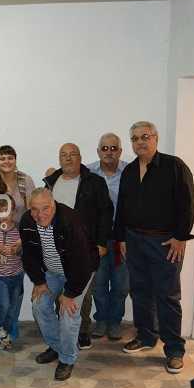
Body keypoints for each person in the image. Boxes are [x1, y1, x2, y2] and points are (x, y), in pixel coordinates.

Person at [115, 121, 194, 374]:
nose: (140, 142)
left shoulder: (174, 166)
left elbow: (188, 203)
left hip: (165, 243)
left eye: (145, 136)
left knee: (167, 295)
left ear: (155, 138)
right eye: (135, 138)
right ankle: (146, 336)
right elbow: (122, 208)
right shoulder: (129, 171)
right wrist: (122, 238)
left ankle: (174, 350)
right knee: (139, 291)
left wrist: (180, 237)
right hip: (134, 240)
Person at [20, 188, 99, 381]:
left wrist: (69, 294)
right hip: (52, 272)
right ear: (30, 208)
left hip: (79, 272)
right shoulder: (27, 222)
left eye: (45, 208)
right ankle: (57, 347)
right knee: (39, 306)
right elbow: (28, 255)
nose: (40, 215)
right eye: (35, 209)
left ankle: (67, 359)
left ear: (53, 204)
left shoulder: (71, 221)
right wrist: (39, 282)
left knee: (68, 313)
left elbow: (83, 263)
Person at [43, 143, 113, 350]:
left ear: (80, 157)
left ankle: (82, 331)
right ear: (59, 159)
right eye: (64, 155)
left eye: (73, 154)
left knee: (83, 292)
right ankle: (63, 331)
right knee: (60, 291)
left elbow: (106, 213)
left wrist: (101, 242)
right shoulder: (51, 182)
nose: (68, 158)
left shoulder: (94, 182)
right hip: (55, 247)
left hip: (84, 247)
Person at [0, 145, 36, 342]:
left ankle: (11, 325)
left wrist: (21, 242)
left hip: (19, 237)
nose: (6, 161)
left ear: (15, 159)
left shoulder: (25, 180)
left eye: (10, 157)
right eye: (2, 158)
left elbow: (31, 214)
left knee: (16, 286)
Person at [86, 133, 130, 341]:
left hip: (123, 238)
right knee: (99, 284)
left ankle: (115, 322)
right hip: (98, 239)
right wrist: (51, 174)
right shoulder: (88, 172)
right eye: (105, 148)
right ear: (98, 151)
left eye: (113, 148)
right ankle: (102, 320)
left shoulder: (130, 172)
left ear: (120, 151)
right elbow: (67, 173)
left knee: (121, 285)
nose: (109, 152)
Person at [0, 195, 23, 350]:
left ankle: (4, 334)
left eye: (7, 211)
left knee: (12, 310)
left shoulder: (19, 229)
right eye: (0, 212)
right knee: (4, 304)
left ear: (13, 211)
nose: (4, 215)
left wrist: (16, 250)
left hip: (17, 274)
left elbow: (27, 248)